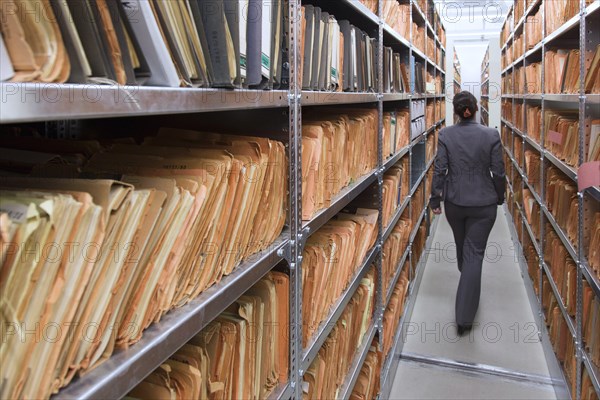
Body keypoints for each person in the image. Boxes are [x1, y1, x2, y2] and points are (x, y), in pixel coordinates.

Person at [429, 91, 506, 336]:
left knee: (465, 252)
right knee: (472, 256)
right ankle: (468, 290)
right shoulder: (491, 135)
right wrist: (500, 196)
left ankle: (463, 316)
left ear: (456, 111)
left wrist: (435, 198)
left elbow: (440, 169)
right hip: (483, 205)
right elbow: (499, 172)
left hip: (455, 204)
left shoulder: (446, 134)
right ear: (477, 109)